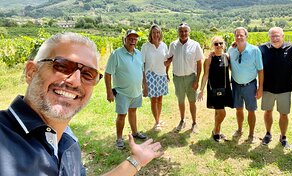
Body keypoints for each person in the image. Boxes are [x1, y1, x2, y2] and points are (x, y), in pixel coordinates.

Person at [0, 32, 163, 176]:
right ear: (31, 72)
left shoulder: (68, 142)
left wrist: (136, 161)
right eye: (62, 66)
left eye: (88, 74)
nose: (75, 81)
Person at [105, 29, 148, 150]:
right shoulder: (116, 54)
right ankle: (119, 138)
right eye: (130, 38)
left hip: (136, 91)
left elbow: (142, 71)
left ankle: (135, 132)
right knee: (122, 115)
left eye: (135, 39)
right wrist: (109, 92)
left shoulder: (139, 53)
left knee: (133, 111)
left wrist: (145, 86)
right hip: (122, 92)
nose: (133, 41)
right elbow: (108, 74)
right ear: (125, 39)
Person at [228, 27, 263, 143]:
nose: (239, 37)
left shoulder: (254, 50)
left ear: (246, 36)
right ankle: (239, 129)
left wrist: (260, 88)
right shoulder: (231, 49)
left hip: (250, 85)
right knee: (238, 109)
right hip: (236, 85)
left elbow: (260, 70)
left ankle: (251, 134)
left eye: (241, 35)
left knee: (251, 110)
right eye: (237, 35)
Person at [166, 23, 204, 133]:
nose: (183, 33)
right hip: (177, 78)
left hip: (190, 78)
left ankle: (194, 122)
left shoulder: (195, 45)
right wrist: (166, 72)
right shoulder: (173, 45)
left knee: (192, 101)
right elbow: (170, 58)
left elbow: (199, 63)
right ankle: (182, 120)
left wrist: (197, 80)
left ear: (189, 32)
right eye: (181, 31)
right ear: (178, 32)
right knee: (180, 101)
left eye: (185, 31)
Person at [198, 36, 233, 142]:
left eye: (221, 43)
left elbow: (231, 69)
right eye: (216, 44)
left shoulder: (227, 56)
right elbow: (205, 75)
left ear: (224, 45)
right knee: (222, 112)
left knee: (218, 112)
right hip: (214, 89)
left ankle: (217, 131)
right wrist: (201, 90)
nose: (218, 46)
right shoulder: (209, 58)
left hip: (225, 88)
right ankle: (216, 131)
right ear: (212, 45)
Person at [141, 24, 169, 131]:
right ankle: (157, 122)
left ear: (160, 34)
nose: (156, 35)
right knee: (153, 100)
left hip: (162, 75)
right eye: (153, 33)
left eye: (158, 32)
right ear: (150, 34)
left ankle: (158, 118)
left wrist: (167, 73)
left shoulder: (164, 46)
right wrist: (144, 81)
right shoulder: (145, 46)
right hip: (150, 75)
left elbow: (166, 62)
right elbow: (142, 64)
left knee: (160, 99)